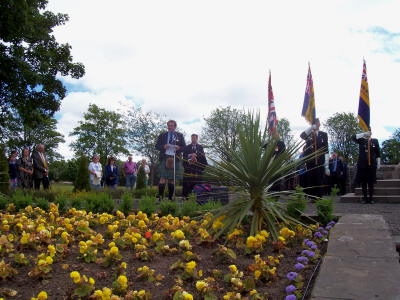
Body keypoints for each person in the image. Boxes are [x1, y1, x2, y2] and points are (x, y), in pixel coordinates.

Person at [155, 120, 186, 200]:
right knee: (162, 178)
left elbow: (184, 147)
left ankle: (170, 198)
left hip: (175, 158)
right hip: (164, 157)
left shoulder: (180, 135)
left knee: (172, 179)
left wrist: (179, 148)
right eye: (169, 125)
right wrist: (163, 146)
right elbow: (157, 146)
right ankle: (160, 198)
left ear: (175, 126)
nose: (170, 127)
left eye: (172, 125)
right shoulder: (162, 135)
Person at [300, 118, 329, 198]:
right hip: (310, 161)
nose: (317, 124)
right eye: (315, 123)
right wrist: (311, 128)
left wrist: (327, 166)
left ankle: (319, 196)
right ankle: (312, 196)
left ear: (319, 124)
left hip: (320, 160)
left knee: (319, 178)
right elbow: (302, 135)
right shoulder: (309, 134)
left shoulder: (324, 134)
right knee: (311, 178)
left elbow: (326, 149)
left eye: (318, 122)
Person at [353, 130, 381, 203]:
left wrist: (378, 163)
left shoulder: (375, 141)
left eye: (369, 131)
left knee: (371, 183)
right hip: (362, 165)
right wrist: (363, 134)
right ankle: (365, 198)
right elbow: (353, 137)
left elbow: (378, 153)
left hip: (372, 165)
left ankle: (371, 198)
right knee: (364, 183)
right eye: (366, 131)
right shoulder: (361, 140)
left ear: (371, 132)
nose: (368, 133)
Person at [182, 134, 208, 198]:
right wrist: (190, 156)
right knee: (187, 184)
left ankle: (199, 197)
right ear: (191, 139)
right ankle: (186, 198)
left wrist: (196, 155)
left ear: (197, 139)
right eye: (192, 138)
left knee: (198, 184)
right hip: (189, 169)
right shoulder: (187, 147)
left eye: (195, 138)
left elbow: (203, 157)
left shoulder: (200, 147)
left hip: (197, 169)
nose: (193, 139)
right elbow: (184, 156)